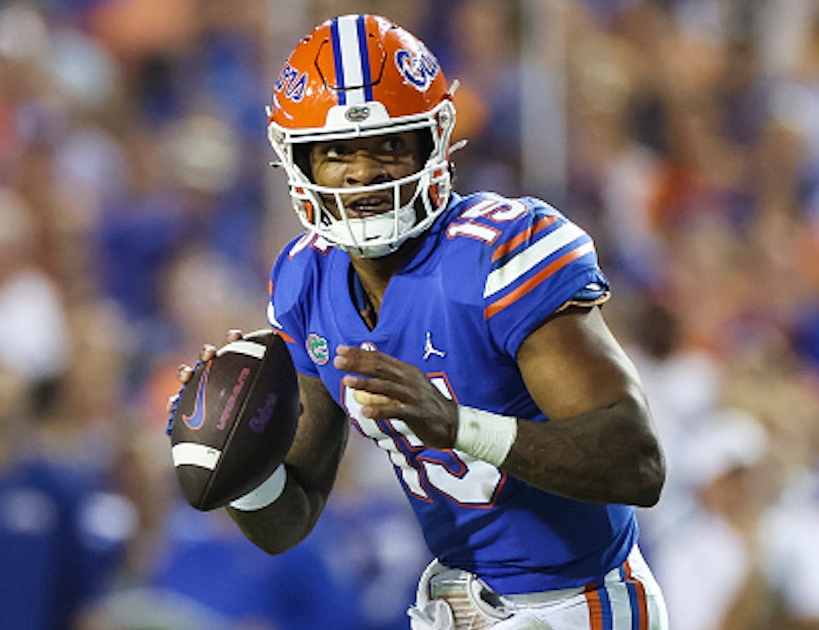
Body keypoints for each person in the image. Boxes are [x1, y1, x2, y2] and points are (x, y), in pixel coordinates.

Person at [172, 14, 669, 630]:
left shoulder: (497, 254)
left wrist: (458, 425)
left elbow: (637, 463)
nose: (364, 171)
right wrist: (235, 464)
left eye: (389, 143)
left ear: (433, 145)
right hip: (457, 604)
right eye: (336, 153)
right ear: (300, 163)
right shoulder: (306, 279)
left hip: (579, 604)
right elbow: (288, 521)